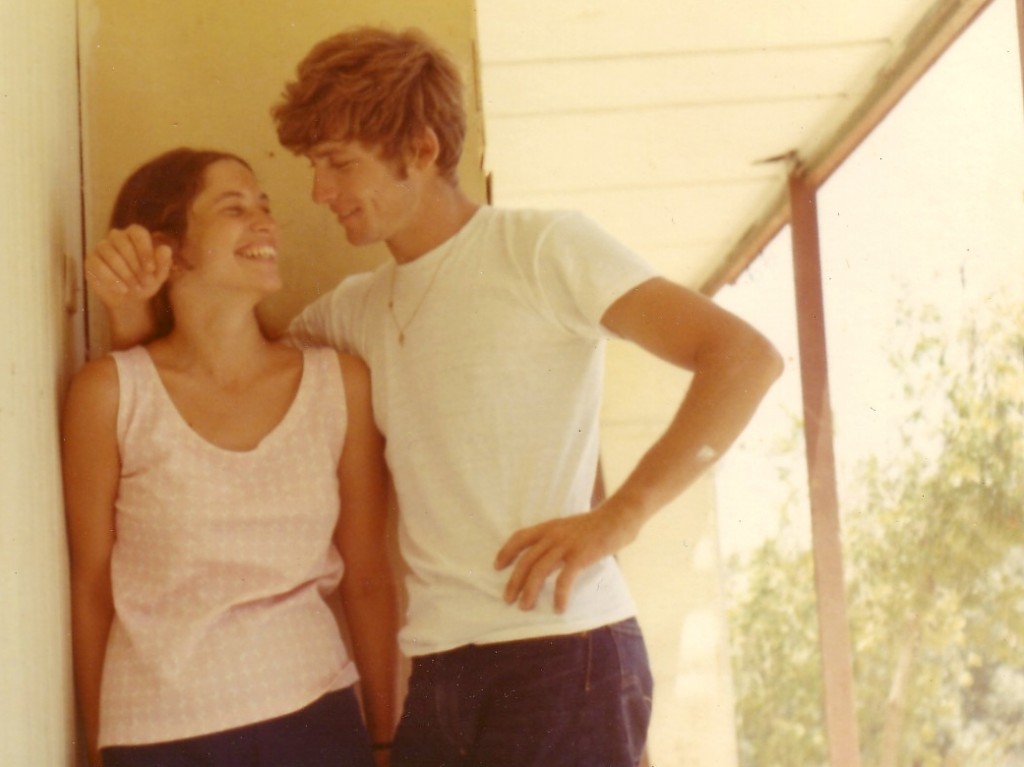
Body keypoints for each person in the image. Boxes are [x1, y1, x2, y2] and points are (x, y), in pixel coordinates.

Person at [84, 28, 784, 767]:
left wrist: (619, 517)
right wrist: (132, 312)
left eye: (338, 164)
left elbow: (743, 357)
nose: (319, 192)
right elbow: (217, 360)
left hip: (562, 651)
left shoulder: (541, 248)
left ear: (419, 150)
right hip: (440, 670)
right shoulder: (351, 310)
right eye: (315, 165)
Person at [64, 148, 398, 767]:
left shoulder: (339, 384)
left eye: (265, 208)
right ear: (168, 246)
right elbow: (91, 587)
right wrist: (94, 745)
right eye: (235, 209)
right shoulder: (109, 394)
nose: (266, 223)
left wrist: (383, 741)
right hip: (155, 733)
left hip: (312, 715)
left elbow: (370, 577)